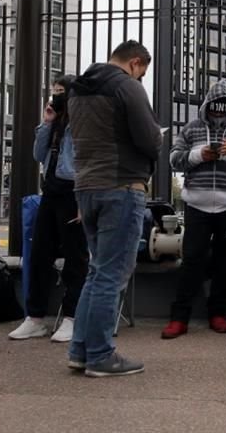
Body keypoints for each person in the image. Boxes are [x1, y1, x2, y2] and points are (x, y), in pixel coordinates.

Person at [67, 40, 161, 377]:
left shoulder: (78, 89)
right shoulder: (127, 87)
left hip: (87, 187)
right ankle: (101, 356)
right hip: (121, 186)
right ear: (135, 63)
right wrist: (159, 138)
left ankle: (80, 350)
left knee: (97, 272)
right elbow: (149, 139)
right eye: (142, 73)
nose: (141, 80)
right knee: (111, 275)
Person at [162, 79, 226, 339]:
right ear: (207, 105)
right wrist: (199, 155)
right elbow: (173, 159)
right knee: (191, 259)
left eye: (224, 108)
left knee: (225, 261)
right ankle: (179, 316)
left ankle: (218, 313)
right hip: (197, 203)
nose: (219, 113)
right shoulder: (191, 128)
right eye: (215, 108)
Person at [9, 75, 88, 343]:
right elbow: (38, 155)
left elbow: (88, 162)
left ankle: (72, 317)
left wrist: (84, 200)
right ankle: (35, 317)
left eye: (61, 92)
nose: (56, 96)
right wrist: (47, 122)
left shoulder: (83, 122)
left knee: (75, 258)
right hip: (51, 192)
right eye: (53, 91)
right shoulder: (55, 123)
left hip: (73, 193)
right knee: (39, 253)